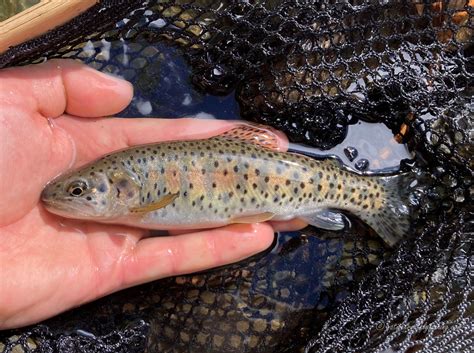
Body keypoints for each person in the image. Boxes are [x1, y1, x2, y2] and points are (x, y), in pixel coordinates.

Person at [0, 59, 305, 330]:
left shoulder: (135, 198)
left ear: (123, 187)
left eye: (78, 191)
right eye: (77, 190)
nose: (63, 198)